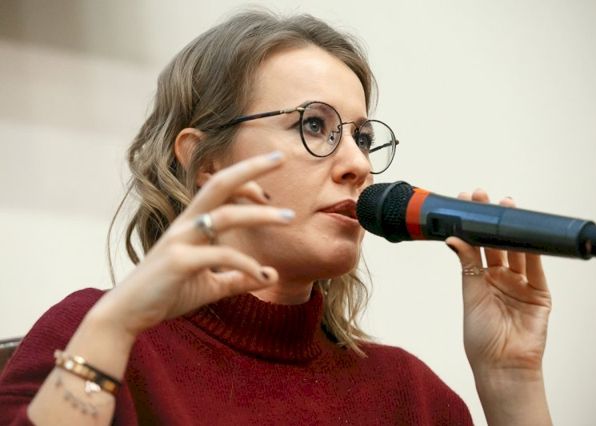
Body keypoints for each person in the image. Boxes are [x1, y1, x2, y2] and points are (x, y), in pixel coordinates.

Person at [0, 10, 552, 425]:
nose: (359, 164)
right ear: (205, 162)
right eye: (313, 125)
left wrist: (511, 380)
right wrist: (113, 329)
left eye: (361, 137)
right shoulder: (94, 333)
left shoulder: (411, 395)